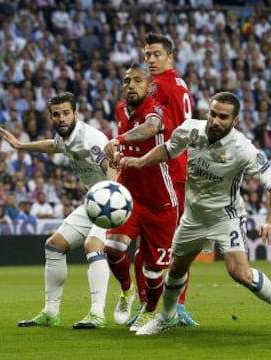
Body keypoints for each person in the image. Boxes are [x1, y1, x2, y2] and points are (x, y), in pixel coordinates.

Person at [119, 91, 271, 336]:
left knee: (239, 272)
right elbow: (168, 149)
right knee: (176, 269)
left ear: (235, 121)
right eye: (213, 114)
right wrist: (141, 161)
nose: (216, 121)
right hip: (194, 217)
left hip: (225, 217)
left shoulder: (243, 149)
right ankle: (165, 318)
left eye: (223, 117)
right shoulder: (191, 130)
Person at [0, 91, 115, 329]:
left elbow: (112, 168)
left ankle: (97, 314)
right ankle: (51, 312)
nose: (61, 119)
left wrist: (112, 201)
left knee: (92, 245)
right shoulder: (65, 137)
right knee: (54, 245)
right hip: (93, 201)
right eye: (56, 115)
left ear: (76, 114)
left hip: (112, 201)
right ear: (51, 117)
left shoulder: (91, 138)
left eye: (66, 113)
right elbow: (53, 145)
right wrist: (20, 145)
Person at [103, 63, 179, 332]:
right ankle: (126, 292)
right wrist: (116, 156)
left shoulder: (157, 110)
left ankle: (150, 311)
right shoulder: (121, 109)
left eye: (137, 80)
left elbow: (150, 128)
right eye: (127, 81)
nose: (131, 85)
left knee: (154, 271)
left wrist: (119, 140)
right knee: (112, 248)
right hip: (130, 196)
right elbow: (122, 148)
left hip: (160, 201)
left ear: (150, 86)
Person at [128, 32, 197, 326]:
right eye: (147, 55)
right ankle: (166, 305)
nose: (152, 60)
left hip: (171, 172)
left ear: (170, 56)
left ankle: (163, 305)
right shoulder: (179, 84)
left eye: (157, 54)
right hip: (167, 170)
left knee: (166, 243)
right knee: (170, 242)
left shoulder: (160, 87)